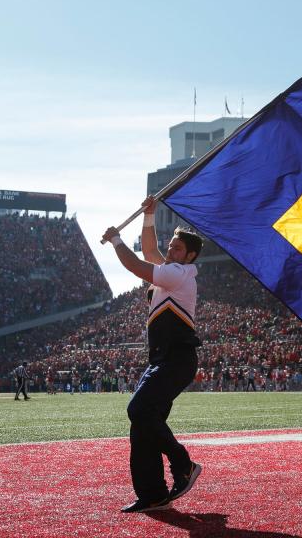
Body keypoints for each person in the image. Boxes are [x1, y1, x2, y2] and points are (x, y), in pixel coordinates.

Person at [103, 196, 203, 513]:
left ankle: (182, 463)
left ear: (190, 256)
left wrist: (117, 240)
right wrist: (149, 216)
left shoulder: (180, 274)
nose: (170, 252)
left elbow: (136, 264)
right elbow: (149, 253)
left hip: (177, 358)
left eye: (176, 249)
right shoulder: (171, 270)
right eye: (170, 247)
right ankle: (153, 494)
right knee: (143, 424)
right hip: (162, 359)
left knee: (139, 410)